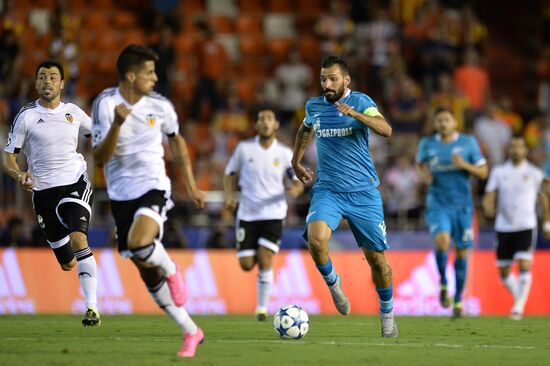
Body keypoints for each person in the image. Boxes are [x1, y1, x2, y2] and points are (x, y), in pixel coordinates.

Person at [91, 45, 205, 358]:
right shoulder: (105, 104)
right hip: (120, 194)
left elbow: (177, 141)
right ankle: (191, 331)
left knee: (141, 243)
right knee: (145, 268)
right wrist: (116, 124)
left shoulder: (161, 106)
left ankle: (171, 268)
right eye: (149, 73)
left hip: (154, 184)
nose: (155, 78)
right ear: (131, 75)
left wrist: (192, 187)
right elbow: (100, 159)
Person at [291, 55, 397, 338]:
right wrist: (296, 162)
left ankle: (387, 313)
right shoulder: (314, 106)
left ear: (346, 80)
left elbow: (386, 130)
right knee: (316, 239)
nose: (327, 83)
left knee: (378, 263)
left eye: (333, 79)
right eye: (323, 78)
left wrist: (357, 115)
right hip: (328, 190)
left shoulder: (362, 102)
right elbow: (304, 129)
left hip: (364, 193)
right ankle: (334, 283)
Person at [2, 60, 100, 326]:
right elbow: (9, 156)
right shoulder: (26, 116)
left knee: (79, 239)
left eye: (53, 77)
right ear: (36, 84)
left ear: (62, 84)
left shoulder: (74, 112)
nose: (47, 81)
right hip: (43, 193)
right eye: (42, 77)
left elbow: (99, 135)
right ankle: (78, 270)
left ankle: (91, 308)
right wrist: (18, 174)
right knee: (67, 262)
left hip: (74, 184)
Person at [223, 108, 303, 321]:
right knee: (247, 264)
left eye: (269, 119)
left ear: (276, 124)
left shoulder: (285, 154)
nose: (265, 123)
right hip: (247, 214)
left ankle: (261, 308)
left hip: (273, 214)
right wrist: (229, 196)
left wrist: (295, 189)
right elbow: (229, 173)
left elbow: (296, 180)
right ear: (256, 125)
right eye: (261, 119)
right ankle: (261, 258)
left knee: (266, 257)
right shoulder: (244, 149)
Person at [416, 107, 488, 318]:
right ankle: (444, 283)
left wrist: (464, 164)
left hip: (463, 207)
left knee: (462, 252)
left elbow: (483, 171)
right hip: (438, 204)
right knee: (442, 242)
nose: (443, 124)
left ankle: (458, 300)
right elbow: (419, 164)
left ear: (454, 123)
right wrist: (425, 175)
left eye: (447, 120)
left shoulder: (468, 142)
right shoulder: (427, 143)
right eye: (439, 120)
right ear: (436, 124)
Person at [482, 136, 550, 320]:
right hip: (504, 226)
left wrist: (547, 222)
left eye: (519, 147)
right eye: (512, 147)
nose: (515, 150)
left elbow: (544, 198)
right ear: (508, 150)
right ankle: (518, 298)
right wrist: (488, 206)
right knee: (504, 272)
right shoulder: (499, 171)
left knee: (524, 263)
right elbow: (489, 193)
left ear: (525, 150)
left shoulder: (535, 173)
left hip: (526, 225)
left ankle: (518, 307)